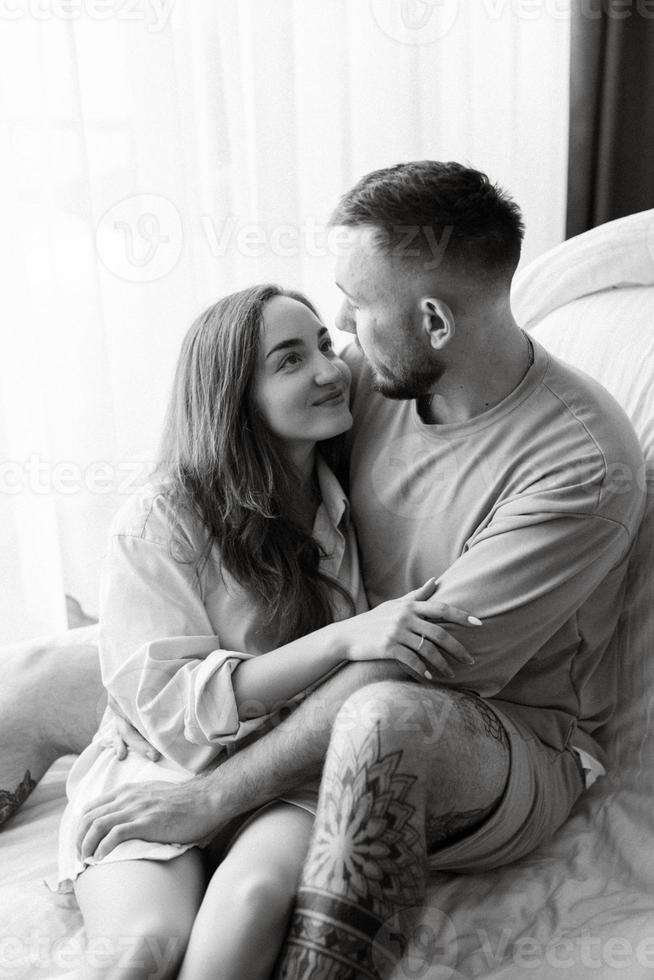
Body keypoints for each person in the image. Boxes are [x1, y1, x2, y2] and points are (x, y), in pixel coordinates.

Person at [72, 162, 646, 979]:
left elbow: (408, 662)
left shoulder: (578, 464)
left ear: (435, 322)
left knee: (383, 716)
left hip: (502, 735)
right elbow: (250, 468)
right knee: (81, 662)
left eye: (357, 304)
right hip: (332, 668)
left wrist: (208, 798)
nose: (338, 331)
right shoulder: (375, 383)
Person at [52, 282, 478, 980]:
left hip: (288, 771)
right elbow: (171, 709)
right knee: (143, 950)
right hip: (161, 762)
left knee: (250, 900)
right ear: (234, 397)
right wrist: (345, 638)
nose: (328, 369)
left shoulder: (346, 498)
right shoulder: (161, 517)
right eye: (288, 360)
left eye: (322, 345)